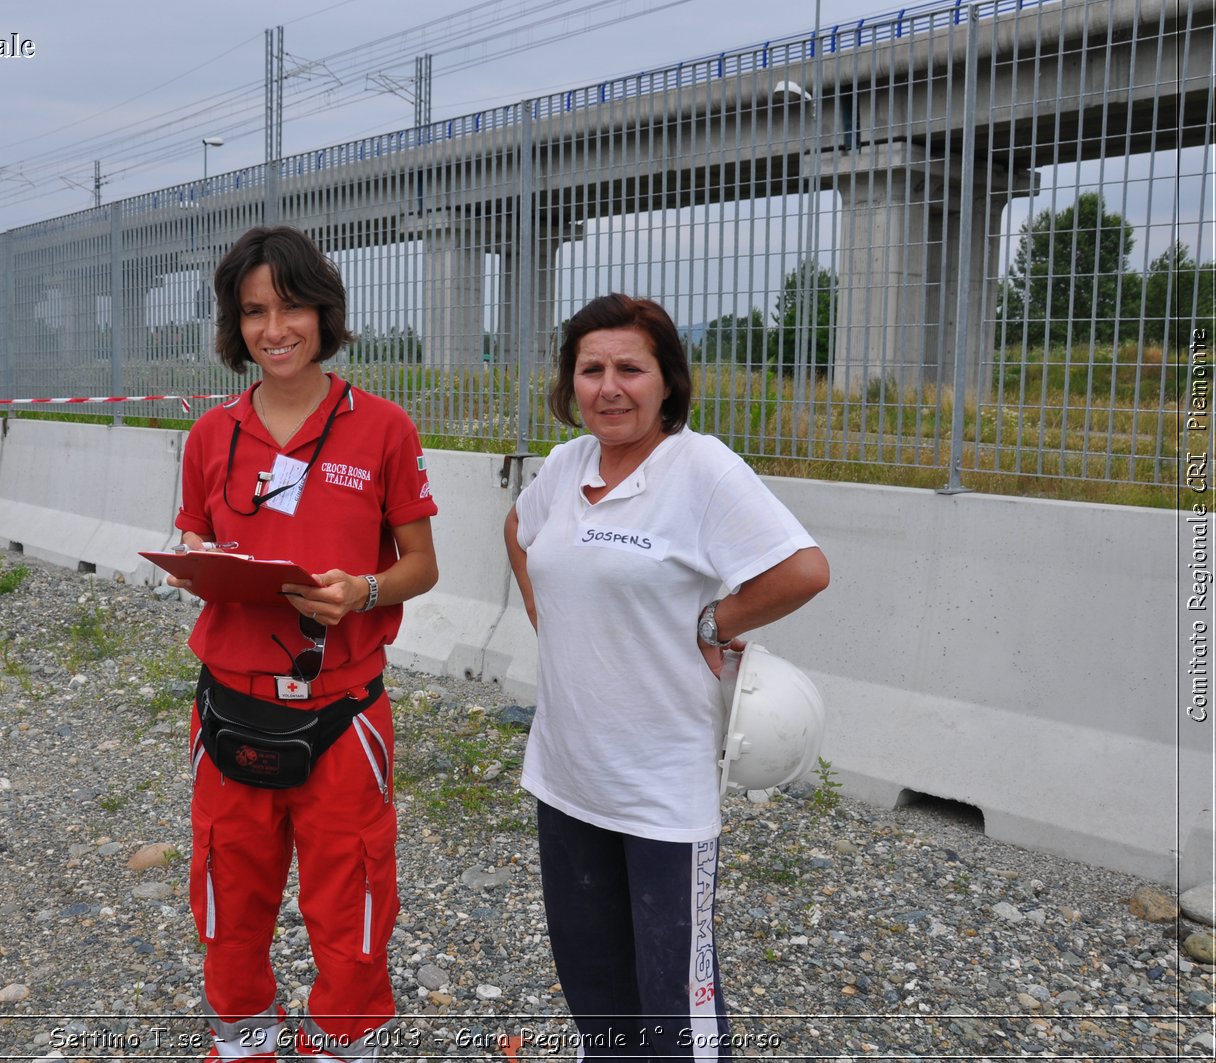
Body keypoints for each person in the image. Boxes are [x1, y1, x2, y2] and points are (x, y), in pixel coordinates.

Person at [504, 293, 828, 1061]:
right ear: (569, 381)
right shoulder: (564, 465)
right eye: (591, 369)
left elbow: (803, 569)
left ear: (666, 381)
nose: (609, 387)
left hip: (659, 786)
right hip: (567, 772)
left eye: (630, 368)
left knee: (674, 1001)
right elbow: (519, 535)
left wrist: (716, 623)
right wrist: (553, 626)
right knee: (591, 980)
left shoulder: (700, 468)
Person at [168, 225, 439, 1062]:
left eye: (290, 306)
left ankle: (342, 1043)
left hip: (343, 714)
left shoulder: (382, 427)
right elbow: (192, 544)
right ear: (233, 325)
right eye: (253, 311)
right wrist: (201, 569)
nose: (273, 328)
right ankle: (244, 1040)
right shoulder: (212, 435)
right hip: (231, 707)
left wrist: (363, 590)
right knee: (227, 897)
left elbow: (422, 566)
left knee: (352, 900)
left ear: (325, 312)